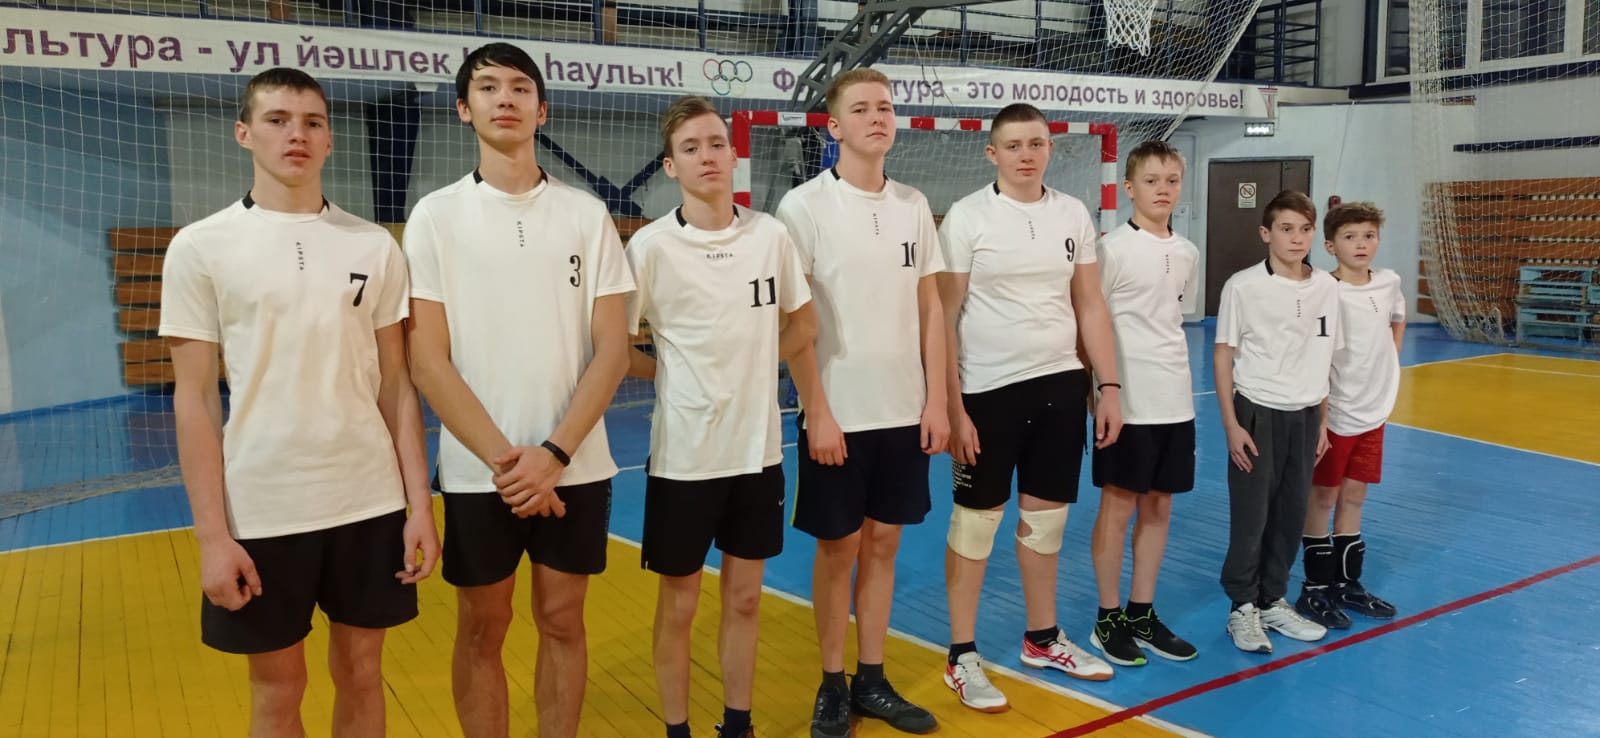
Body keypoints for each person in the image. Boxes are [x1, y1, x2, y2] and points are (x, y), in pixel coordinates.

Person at [160, 67, 438, 737]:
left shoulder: (373, 245)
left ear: (330, 139)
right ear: (244, 133)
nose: (297, 135)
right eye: (278, 120)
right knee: (278, 690)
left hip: (368, 501)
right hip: (263, 507)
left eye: (313, 122)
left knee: (363, 674)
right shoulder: (200, 247)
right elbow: (194, 400)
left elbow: (396, 385)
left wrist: (420, 507)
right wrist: (212, 537)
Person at [404, 42, 634, 738]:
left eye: (519, 87)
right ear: (463, 109)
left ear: (542, 109)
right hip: (484, 472)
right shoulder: (435, 217)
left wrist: (554, 455)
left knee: (563, 620)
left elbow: (614, 349)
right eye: (487, 87)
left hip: (575, 466)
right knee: (483, 626)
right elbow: (427, 359)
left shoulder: (586, 215)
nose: (505, 98)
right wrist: (512, 465)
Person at [625, 95, 818, 738]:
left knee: (744, 597)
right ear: (671, 166)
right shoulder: (650, 247)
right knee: (679, 604)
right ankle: (677, 729)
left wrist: (755, 364)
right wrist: (671, 374)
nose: (706, 156)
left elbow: (804, 325)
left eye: (715, 144)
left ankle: (739, 725)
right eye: (690, 148)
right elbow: (615, 347)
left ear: (734, 155)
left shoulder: (770, 236)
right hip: (684, 457)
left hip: (756, 453)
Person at [775, 67, 949, 738]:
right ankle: (831, 683)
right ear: (835, 126)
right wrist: (815, 408)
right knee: (838, 549)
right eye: (861, 109)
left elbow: (930, 308)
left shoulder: (914, 204)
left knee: (884, 545)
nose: (877, 117)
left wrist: (937, 400)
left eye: (885, 107)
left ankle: (871, 680)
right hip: (838, 413)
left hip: (903, 411)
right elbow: (796, 323)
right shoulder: (804, 208)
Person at [934, 103, 1121, 714]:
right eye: (1013, 145)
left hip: (1061, 387)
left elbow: (1089, 304)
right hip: (987, 393)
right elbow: (944, 317)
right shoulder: (967, 216)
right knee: (975, 525)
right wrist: (952, 407)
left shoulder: (1072, 213)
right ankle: (961, 655)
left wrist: (1109, 386)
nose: (1026, 155)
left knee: (1046, 524)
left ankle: (1042, 638)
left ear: (1050, 148)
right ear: (992, 153)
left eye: (1036, 143)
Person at [1087, 140, 1200, 667]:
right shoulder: (1111, 249)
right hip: (1126, 401)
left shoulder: (1188, 251)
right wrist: (1098, 391)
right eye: (1152, 181)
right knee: (1118, 507)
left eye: (1172, 180)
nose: (1163, 189)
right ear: (1129, 188)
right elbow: (1090, 322)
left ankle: (1141, 612)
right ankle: (1107, 617)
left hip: (1175, 400)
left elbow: (1175, 319)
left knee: (1159, 506)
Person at [1214, 189, 1340, 654]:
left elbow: (1322, 356)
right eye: (1286, 229)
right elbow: (1223, 354)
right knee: (1253, 517)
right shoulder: (1243, 286)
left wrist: (1322, 421)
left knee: (1290, 515)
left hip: (1305, 416)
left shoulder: (1327, 287)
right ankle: (1242, 607)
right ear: (1266, 233)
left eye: (1305, 229)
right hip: (1257, 411)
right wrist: (1232, 425)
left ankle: (1272, 600)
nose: (1296, 238)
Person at [1294, 202, 1406, 628]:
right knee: (1323, 497)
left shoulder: (1389, 281)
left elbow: (1398, 318)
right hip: (1337, 412)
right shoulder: (1326, 289)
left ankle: (1347, 583)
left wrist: (1391, 358)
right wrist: (1320, 419)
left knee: (1355, 495)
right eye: (1350, 237)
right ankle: (1314, 588)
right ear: (1330, 245)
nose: (1361, 244)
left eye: (1369, 235)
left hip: (1374, 411)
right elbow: (1316, 356)